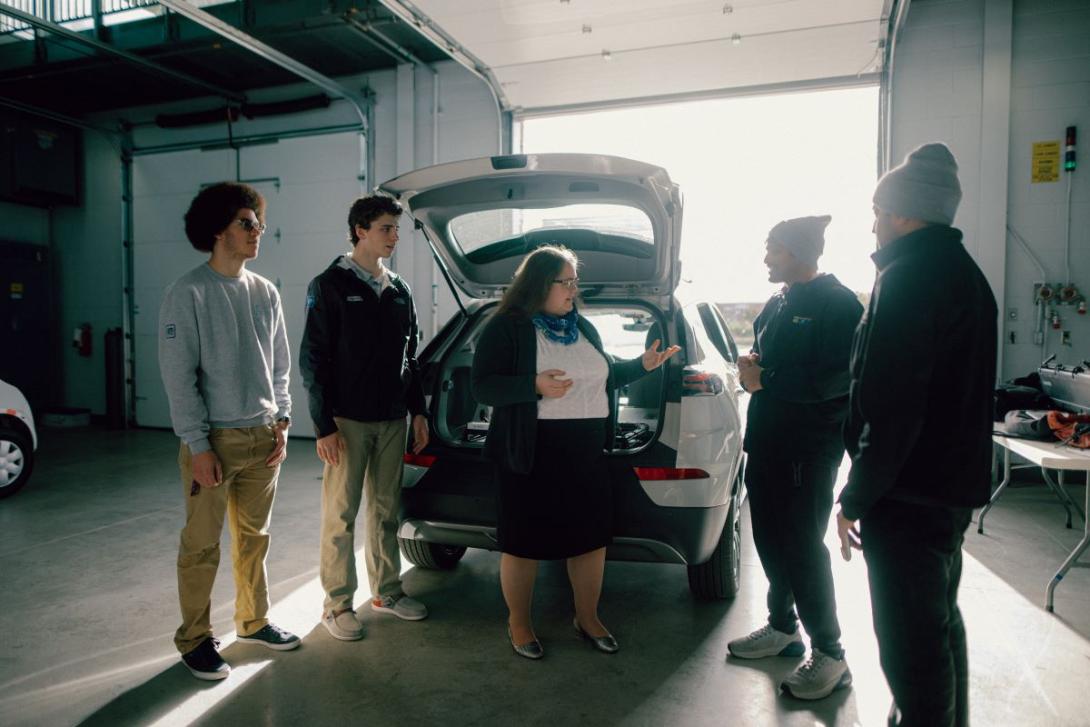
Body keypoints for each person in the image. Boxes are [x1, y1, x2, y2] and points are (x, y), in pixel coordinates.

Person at [836, 143, 997, 727]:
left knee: (911, 650)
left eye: (877, 210)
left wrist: (856, 496)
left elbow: (894, 408)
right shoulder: (966, 275)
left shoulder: (908, 279)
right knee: (938, 626)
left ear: (903, 213)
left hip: (907, 494)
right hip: (945, 492)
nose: (872, 222)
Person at [470, 245, 679, 660]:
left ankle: (587, 617)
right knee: (524, 542)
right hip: (531, 452)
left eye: (573, 281)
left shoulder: (581, 327)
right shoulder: (507, 327)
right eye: (565, 281)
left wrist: (643, 365)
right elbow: (483, 386)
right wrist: (531, 385)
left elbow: (604, 373)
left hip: (585, 451)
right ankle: (520, 623)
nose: (573, 289)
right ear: (538, 284)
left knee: (589, 539)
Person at [159, 182, 299, 681]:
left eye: (258, 222)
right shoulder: (189, 292)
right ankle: (194, 639)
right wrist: (197, 445)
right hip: (214, 443)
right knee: (201, 546)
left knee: (253, 538)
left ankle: (254, 621)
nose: (257, 230)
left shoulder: (265, 292)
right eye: (246, 222)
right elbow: (179, 376)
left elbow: (279, 364)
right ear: (218, 230)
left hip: (263, 438)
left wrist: (282, 420)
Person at [726, 215, 863, 700]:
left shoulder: (838, 304)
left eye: (775, 250)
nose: (766, 258)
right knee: (770, 539)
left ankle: (831, 653)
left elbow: (839, 380)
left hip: (809, 448)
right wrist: (752, 367)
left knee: (803, 548)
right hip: (766, 441)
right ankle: (783, 628)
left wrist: (770, 380)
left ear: (802, 253)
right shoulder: (778, 302)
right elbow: (771, 362)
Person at [300, 194, 430, 642]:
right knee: (341, 515)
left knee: (386, 511)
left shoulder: (399, 290)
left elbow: (410, 356)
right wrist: (324, 426)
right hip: (347, 420)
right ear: (360, 230)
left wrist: (418, 410)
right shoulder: (330, 285)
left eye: (396, 229)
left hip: (392, 417)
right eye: (385, 228)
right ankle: (336, 605)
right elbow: (313, 360)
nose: (394, 237)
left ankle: (387, 592)